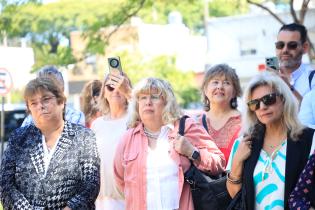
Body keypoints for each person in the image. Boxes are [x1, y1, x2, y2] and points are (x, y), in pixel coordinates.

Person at [113, 77, 225, 210]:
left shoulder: (185, 127)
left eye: (154, 97)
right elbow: (121, 181)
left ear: (167, 103)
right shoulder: (128, 138)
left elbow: (220, 162)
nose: (148, 102)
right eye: (143, 97)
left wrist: (192, 152)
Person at [0, 77, 100, 209]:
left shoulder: (83, 137)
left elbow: (90, 184)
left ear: (61, 102)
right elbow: (5, 185)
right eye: (33, 103)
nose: (40, 106)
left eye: (46, 99)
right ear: (29, 109)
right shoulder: (18, 138)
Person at [226, 71, 315, 209]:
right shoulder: (243, 143)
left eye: (269, 99)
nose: (262, 107)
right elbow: (236, 196)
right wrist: (237, 161)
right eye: (255, 103)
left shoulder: (310, 140)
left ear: (284, 99)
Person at [91, 72, 132, 210]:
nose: (116, 91)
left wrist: (130, 93)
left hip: (128, 198)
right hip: (102, 199)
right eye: (110, 87)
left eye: (120, 86)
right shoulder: (97, 124)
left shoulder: (134, 120)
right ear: (104, 92)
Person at [198, 64, 242, 162]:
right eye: (215, 82)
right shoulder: (195, 122)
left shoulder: (245, 123)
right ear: (205, 90)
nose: (220, 86)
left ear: (235, 91)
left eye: (226, 83)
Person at [275, 23, 315, 102]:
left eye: (292, 45)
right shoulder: (268, 78)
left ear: (305, 47)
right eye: (280, 45)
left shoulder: (312, 79)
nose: (284, 50)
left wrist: (289, 87)